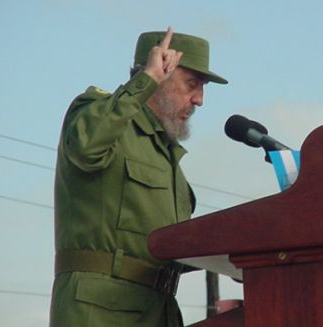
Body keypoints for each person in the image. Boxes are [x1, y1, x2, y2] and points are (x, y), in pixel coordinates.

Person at [49, 27, 228, 327]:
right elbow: (86, 147)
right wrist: (146, 81)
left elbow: (164, 248)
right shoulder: (99, 114)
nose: (199, 100)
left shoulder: (165, 153)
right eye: (192, 84)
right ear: (160, 74)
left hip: (158, 311)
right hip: (101, 312)